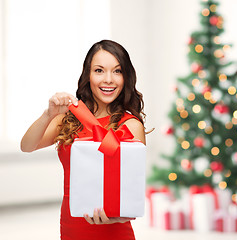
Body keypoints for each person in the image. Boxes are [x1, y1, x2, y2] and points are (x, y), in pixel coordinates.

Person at [20, 39, 146, 240]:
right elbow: (27, 146)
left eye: (117, 71)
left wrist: (119, 218)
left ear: (126, 77)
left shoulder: (130, 126)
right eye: (99, 70)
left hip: (114, 232)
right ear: (88, 75)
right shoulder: (69, 117)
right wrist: (48, 114)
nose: (108, 79)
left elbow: (131, 193)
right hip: (72, 228)